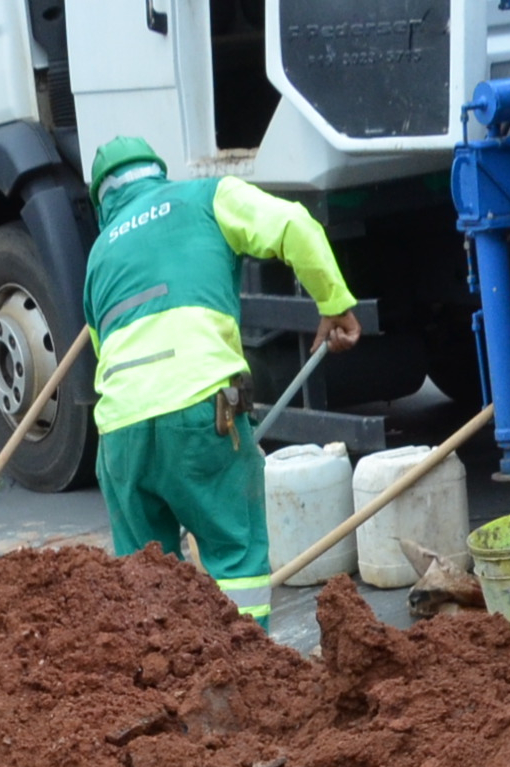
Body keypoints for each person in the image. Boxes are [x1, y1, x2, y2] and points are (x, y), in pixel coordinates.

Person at [79, 135, 364, 620]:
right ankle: (245, 679)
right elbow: (295, 225)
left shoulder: (99, 254)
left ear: (101, 200)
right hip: (199, 409)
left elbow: (103, 351)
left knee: (145, 580)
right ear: (157, 172)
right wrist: (333, 303)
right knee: (236, 558)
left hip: (120, 432)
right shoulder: (208, 197)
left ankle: (164, 686)